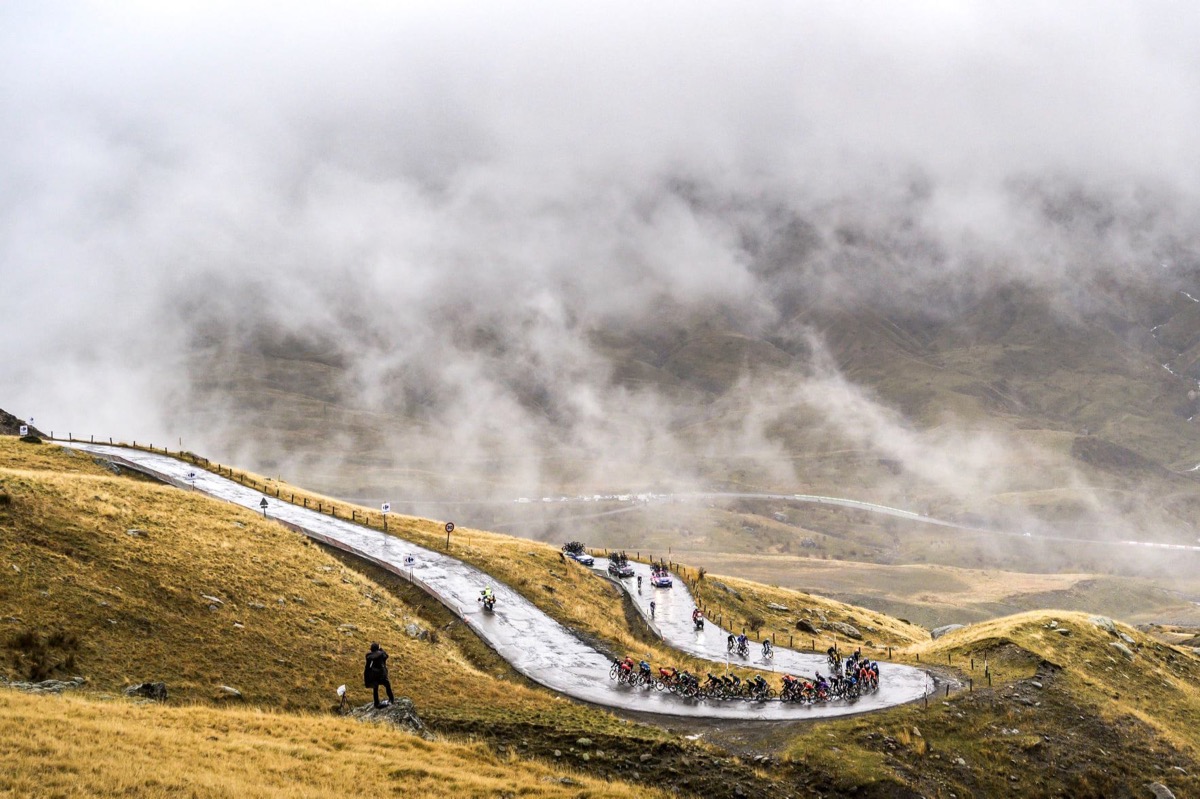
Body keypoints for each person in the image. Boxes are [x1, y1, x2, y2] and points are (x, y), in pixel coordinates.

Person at [364, 642, 394, 708]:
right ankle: (391, 699)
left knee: (375, 689)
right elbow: (386, 656)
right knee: (387, 685)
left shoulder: (369, 656)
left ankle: (376, 703)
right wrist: (381, 649)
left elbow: (368, 666)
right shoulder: (381, 654)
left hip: (374, 674)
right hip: (381, 674)